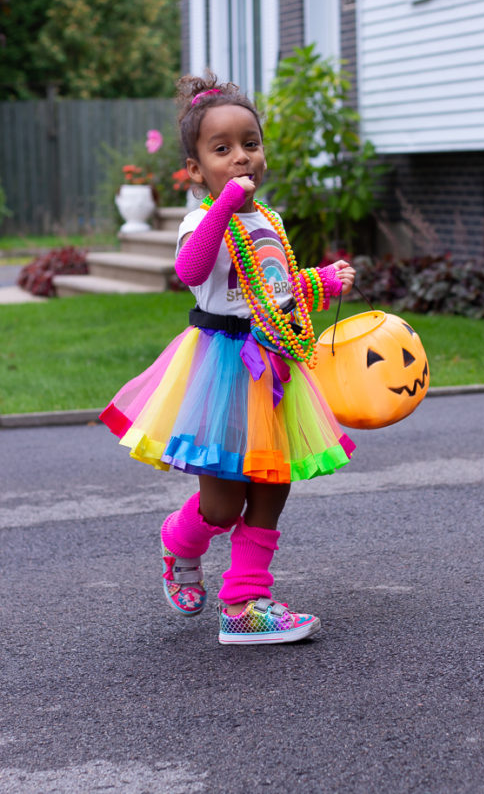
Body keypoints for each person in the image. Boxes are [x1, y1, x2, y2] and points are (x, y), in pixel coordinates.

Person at [100, 73, 356, 645]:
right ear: (195, 170)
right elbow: (191, 272)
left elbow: (275, 290)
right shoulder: (201, 221)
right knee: (220, 503)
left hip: (273, 360)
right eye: (222, 150)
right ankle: (180, 541)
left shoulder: (270, 221)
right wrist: (225, 209)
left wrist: (321, 281)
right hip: (222, 370)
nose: (242, 158)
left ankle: (244, 600)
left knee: (273, 481)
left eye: (251, 143)